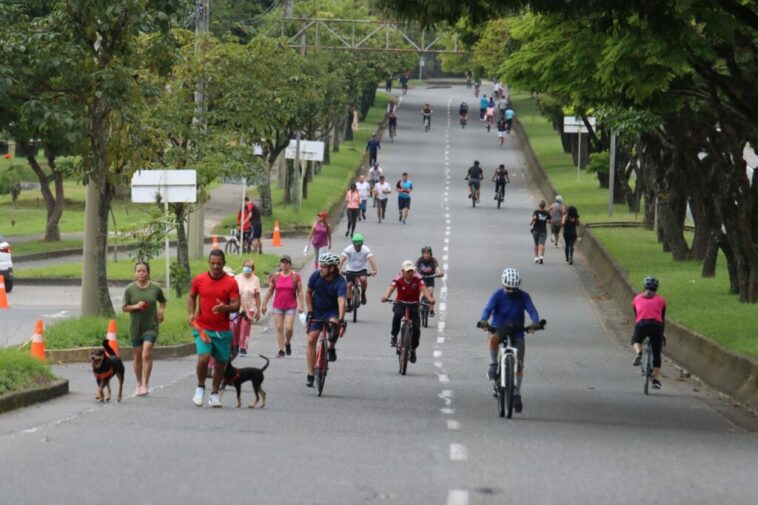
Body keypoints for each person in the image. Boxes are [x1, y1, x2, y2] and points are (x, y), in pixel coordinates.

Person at [478, 267, 540, 413]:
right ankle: (494, 364)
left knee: (519, 364)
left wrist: (535, 323)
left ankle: (517, 394)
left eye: (514, 289)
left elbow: (532, 311)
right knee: (493, 338)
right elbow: (487, 309)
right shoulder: (497, 295)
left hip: (518, 330)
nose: (511, 291)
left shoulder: (524, 296)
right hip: (499, 327)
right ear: (503, 285)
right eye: (508, 288)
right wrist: (483, 321)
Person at [188, 250, 240, 408]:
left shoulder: (231, 282)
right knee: (203, 358)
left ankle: (215, 394)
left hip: (223, 331)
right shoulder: (200, 280)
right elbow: (192, 296)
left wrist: (226, 308)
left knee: (219, 364)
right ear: (209, 263)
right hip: (203, 328)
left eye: (219, 263)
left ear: (224, 263)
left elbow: (237, 305)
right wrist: (191, 313)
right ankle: (200, 387)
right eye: (213, 263)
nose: (216, 266)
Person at [122, 262, 166, 396]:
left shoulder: (155, 288)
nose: (141, 273)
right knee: (137, 355)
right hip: (136, 327)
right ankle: (138, 384)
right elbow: (124, 308)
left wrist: (161, 311)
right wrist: (136, 306)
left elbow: (162, 301)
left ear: (148, 273)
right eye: (138, 271)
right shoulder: (129, 289)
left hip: (151, 326)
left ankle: (146, 384)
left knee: (146, 353)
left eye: (144, 271)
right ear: (135, 273)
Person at [304, 252, 347, 387]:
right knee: (312, 339)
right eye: (320, 266)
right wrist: (310, 311)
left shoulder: (340, 281)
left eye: (324, 266)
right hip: (317, 310)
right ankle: (311, 373)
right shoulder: (316, 276)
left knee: (334, 325)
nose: (320, 268)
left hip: (332, 311)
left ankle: (331, 347)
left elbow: (341, 301)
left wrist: (340, 318)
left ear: (332, 269)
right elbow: (308, 293)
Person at [381, 260, 435, 364]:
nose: (410, 273)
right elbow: (391, 288)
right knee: (397, 315)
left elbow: (423, 289)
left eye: (412, 271)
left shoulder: (418, 278)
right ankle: (394, 336)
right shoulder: (398, 278)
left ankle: (413, 349)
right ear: (402, 271)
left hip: (414, 304)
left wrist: (429, 299)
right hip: (400, 302)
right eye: (408, 271)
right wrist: (386, 297)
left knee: (416, 329)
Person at [261, 255, 304, 358]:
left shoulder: (295, 276)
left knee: (288, 328)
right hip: (278, 306)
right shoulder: (275, 276)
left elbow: (300, 292)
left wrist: (301, 305)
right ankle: (281, 349)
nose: (285, 264)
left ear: (290, 264)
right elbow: (270, 291)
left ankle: (287, 342)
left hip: (290, 306)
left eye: (287, 262)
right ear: (280, 264)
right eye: (283, 262)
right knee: (279, 327)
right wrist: (264, 304)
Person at [631, 276, 667, 389]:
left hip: (641, 324)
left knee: (636, 340)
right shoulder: (661, 300)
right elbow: (662, 317)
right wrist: (662, 334)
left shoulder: (636, 298)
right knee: (657, 353)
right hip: (656, 326)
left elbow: (636, 314)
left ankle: (639, 352)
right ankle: (656, 379)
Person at [338, 233, 378, 311]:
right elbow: (342, 259)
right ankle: (349, 304)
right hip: (350, 269)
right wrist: (338, 268)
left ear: (362, 243)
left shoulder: (366, 249)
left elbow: (371, 259)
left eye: (359, 245)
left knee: (363, 279)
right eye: (356, 245)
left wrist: (374, 270)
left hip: (362, 268)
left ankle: (363, 294)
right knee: (349, 285)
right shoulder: (349, 249)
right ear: (353, 244)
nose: (357, 247)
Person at [233, 258, 261, 357]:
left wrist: (258, 309)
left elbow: (257, 296)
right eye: (246, 266)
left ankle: (243, 347)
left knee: (245, 327)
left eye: (249, 267)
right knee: (236, 327)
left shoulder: (255, 279)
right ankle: (236, 345)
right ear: (243, 266)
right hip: (238, 307)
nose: (247, 268)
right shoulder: (237, 278)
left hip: (250, 307)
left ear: (252, 269)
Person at [416, 246, 442, 317]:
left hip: (430, 278)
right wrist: (414, 274)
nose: (426, 255)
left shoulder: (433, 260)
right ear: (422, 254)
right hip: (421, 279)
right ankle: (416, 306)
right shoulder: (419, 260)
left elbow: (437, 267)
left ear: (430, 254)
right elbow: (415, 268)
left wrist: (439, 273)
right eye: (425, 253)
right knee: (416, 293)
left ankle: (431, 309)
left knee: (430, 293)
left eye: (428, 253)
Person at [530, 200, 551, 264]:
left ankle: (536, 257)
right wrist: (547, 221)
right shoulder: (547, 213)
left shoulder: (536, 212)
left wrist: (531, 222)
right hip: (543, 231)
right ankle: (541, 257)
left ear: (539, 205)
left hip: (536, 230)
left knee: (536, 244)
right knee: (542, 244)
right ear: (544, 206)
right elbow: (550, 220)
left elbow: (534, 218)